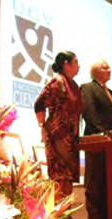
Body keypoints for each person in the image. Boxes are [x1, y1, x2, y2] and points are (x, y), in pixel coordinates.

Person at [81, 60, 112, 219]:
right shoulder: (87, 87)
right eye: (105, 67)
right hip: (97, 140)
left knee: (109, 178)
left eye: (109, 67)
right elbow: (89, 111)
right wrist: (101, 133)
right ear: (95, 72)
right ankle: (95, 216)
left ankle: (108, 214)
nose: (109, 70)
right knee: (95, 178)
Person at [34, 51, 82, 201]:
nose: (79, 66)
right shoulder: (57, 82)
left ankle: (66, 212)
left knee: (68, 177)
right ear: (66, 65)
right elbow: (39, 103)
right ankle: (57, 214)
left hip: (71, 137)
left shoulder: (74, 85)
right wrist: (42, 126)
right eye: (76, 62)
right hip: (57, 136)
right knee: (59, 176)